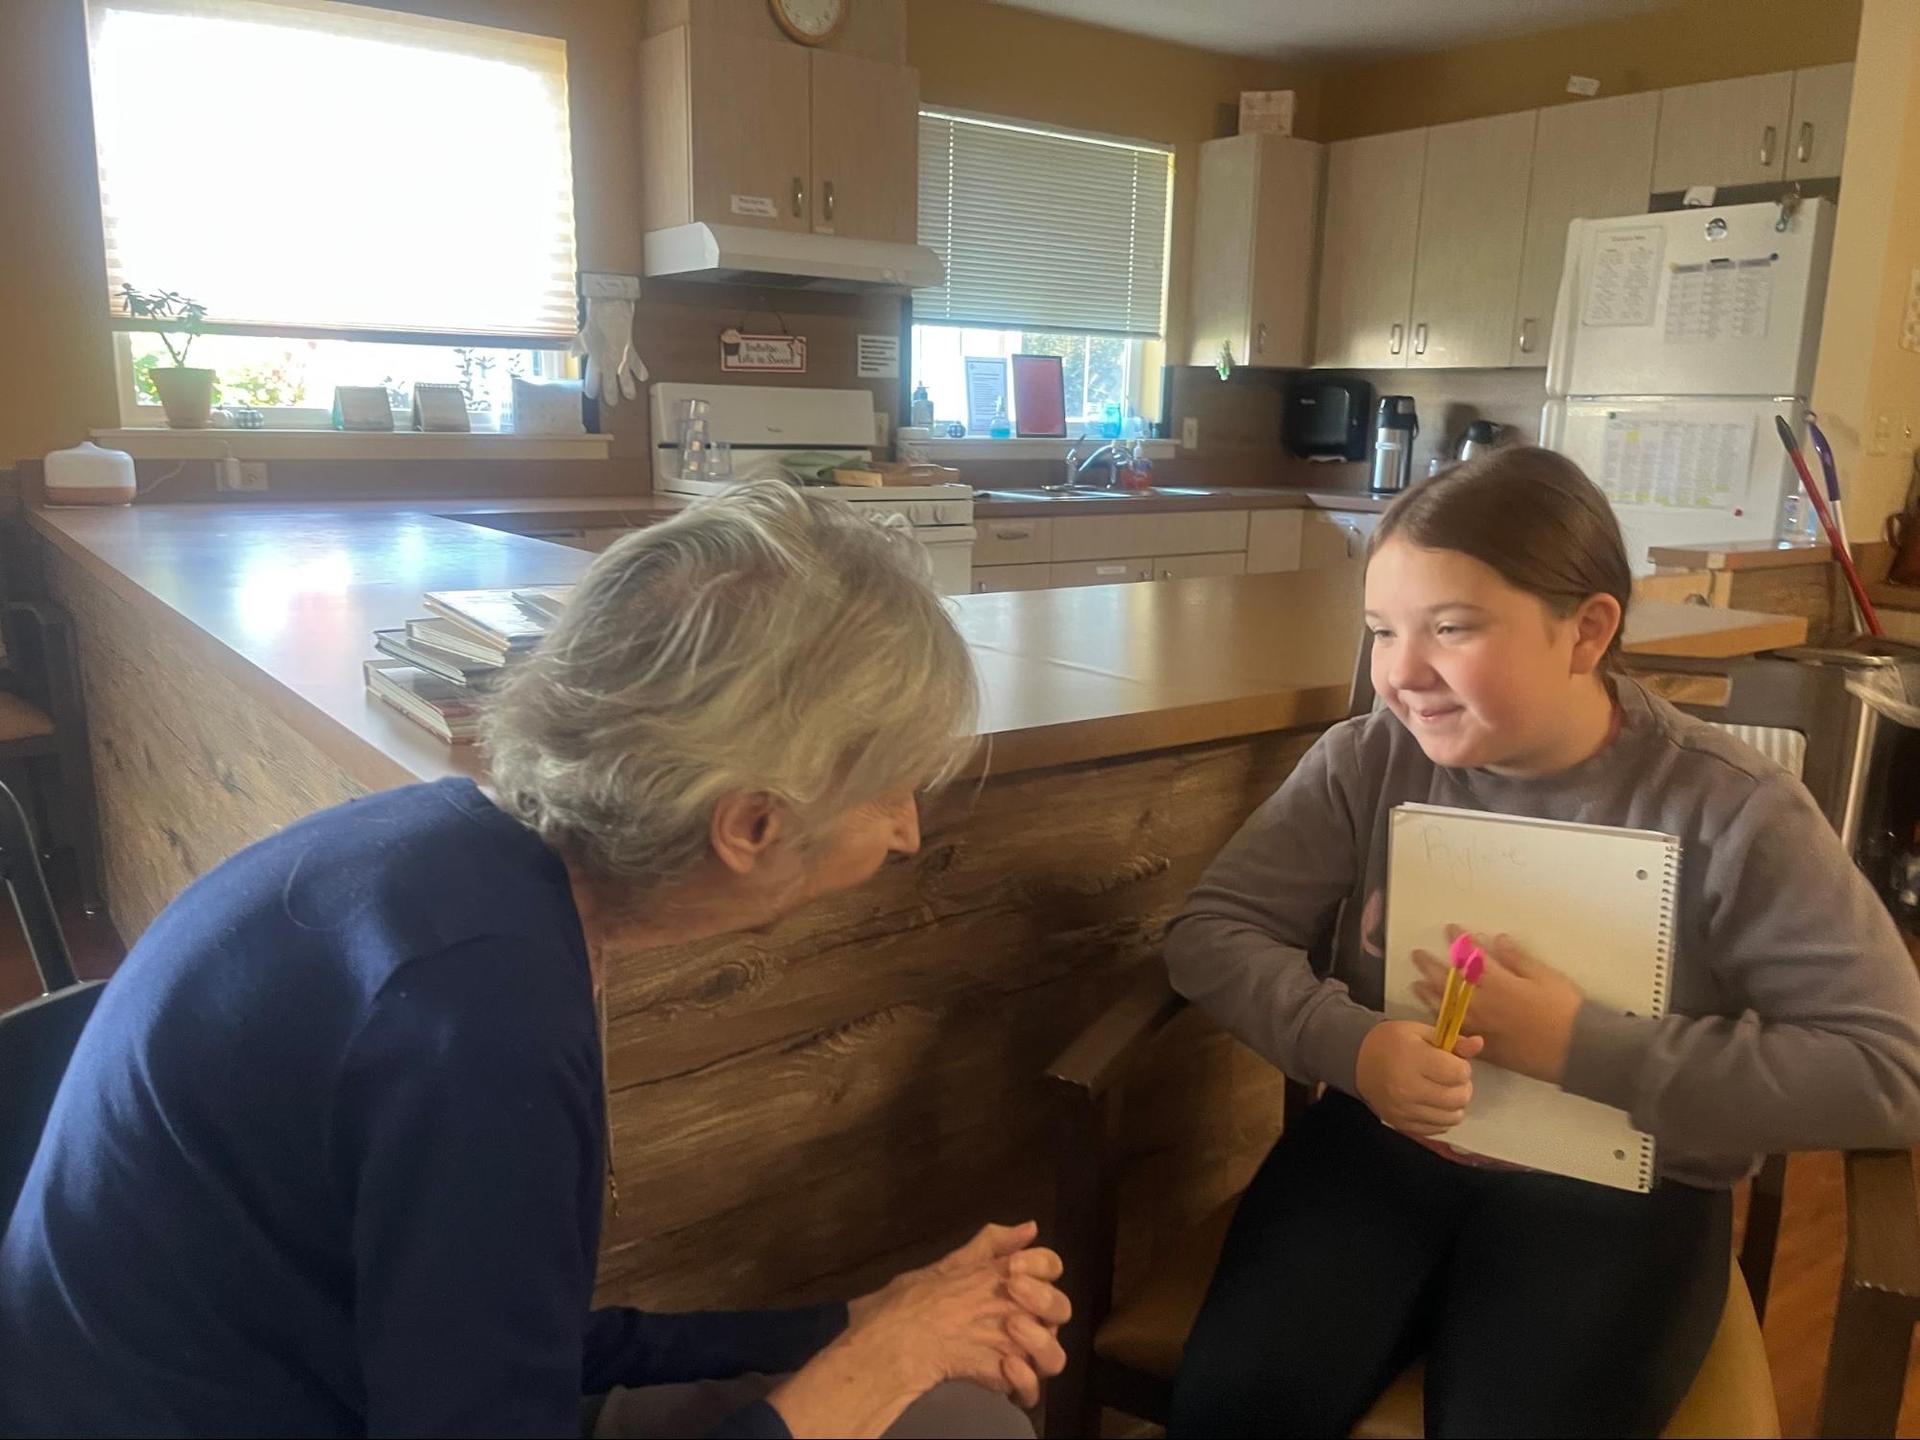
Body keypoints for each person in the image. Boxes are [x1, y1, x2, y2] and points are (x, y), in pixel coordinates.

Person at [0, 482, 1065, 1439]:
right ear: (750, 827)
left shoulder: (449, 859)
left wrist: (848, 1323)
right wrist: (875, 1367)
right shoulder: (480, 1020)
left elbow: (506, 1344)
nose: (907, 834)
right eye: (889, 789)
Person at [1161, 447, 1920, 1438]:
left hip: (1629, 1184)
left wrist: (1579, 1046)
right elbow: (1211, 932)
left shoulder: (1732, 811)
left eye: (1453, 628)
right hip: (1384, 1145)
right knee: (1236, 1406)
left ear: (1586, 631)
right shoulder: (1365, 760)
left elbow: (1889, 1071)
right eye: (1383, 631)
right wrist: (1352, 1046)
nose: (1400, 673)